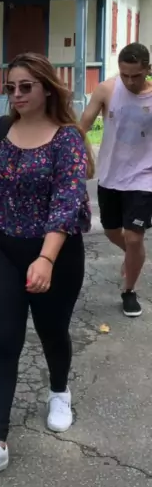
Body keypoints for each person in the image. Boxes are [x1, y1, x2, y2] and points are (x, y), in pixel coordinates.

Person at [0, 52, 93, 484]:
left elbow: (67, 203)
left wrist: (46, 258)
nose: (16, 95)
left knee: (52, 332)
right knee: (4, 340)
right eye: (11, 88)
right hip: (2, 248)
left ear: (47, 88)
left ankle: (59, 391)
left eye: (25, 87)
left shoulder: (67, 139)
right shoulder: (1, 129)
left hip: (56, 253)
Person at [80, 42, 152, 318]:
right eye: (125, 75)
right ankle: (134, 257)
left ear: (148, 69)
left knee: (133, 237)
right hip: (110, 176)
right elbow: (82, 126)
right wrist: (79, 158)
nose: (130, 81)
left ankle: (129, 290)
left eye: (136, 75)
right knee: (112, 232)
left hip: (144, 178)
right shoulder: (107, 89)